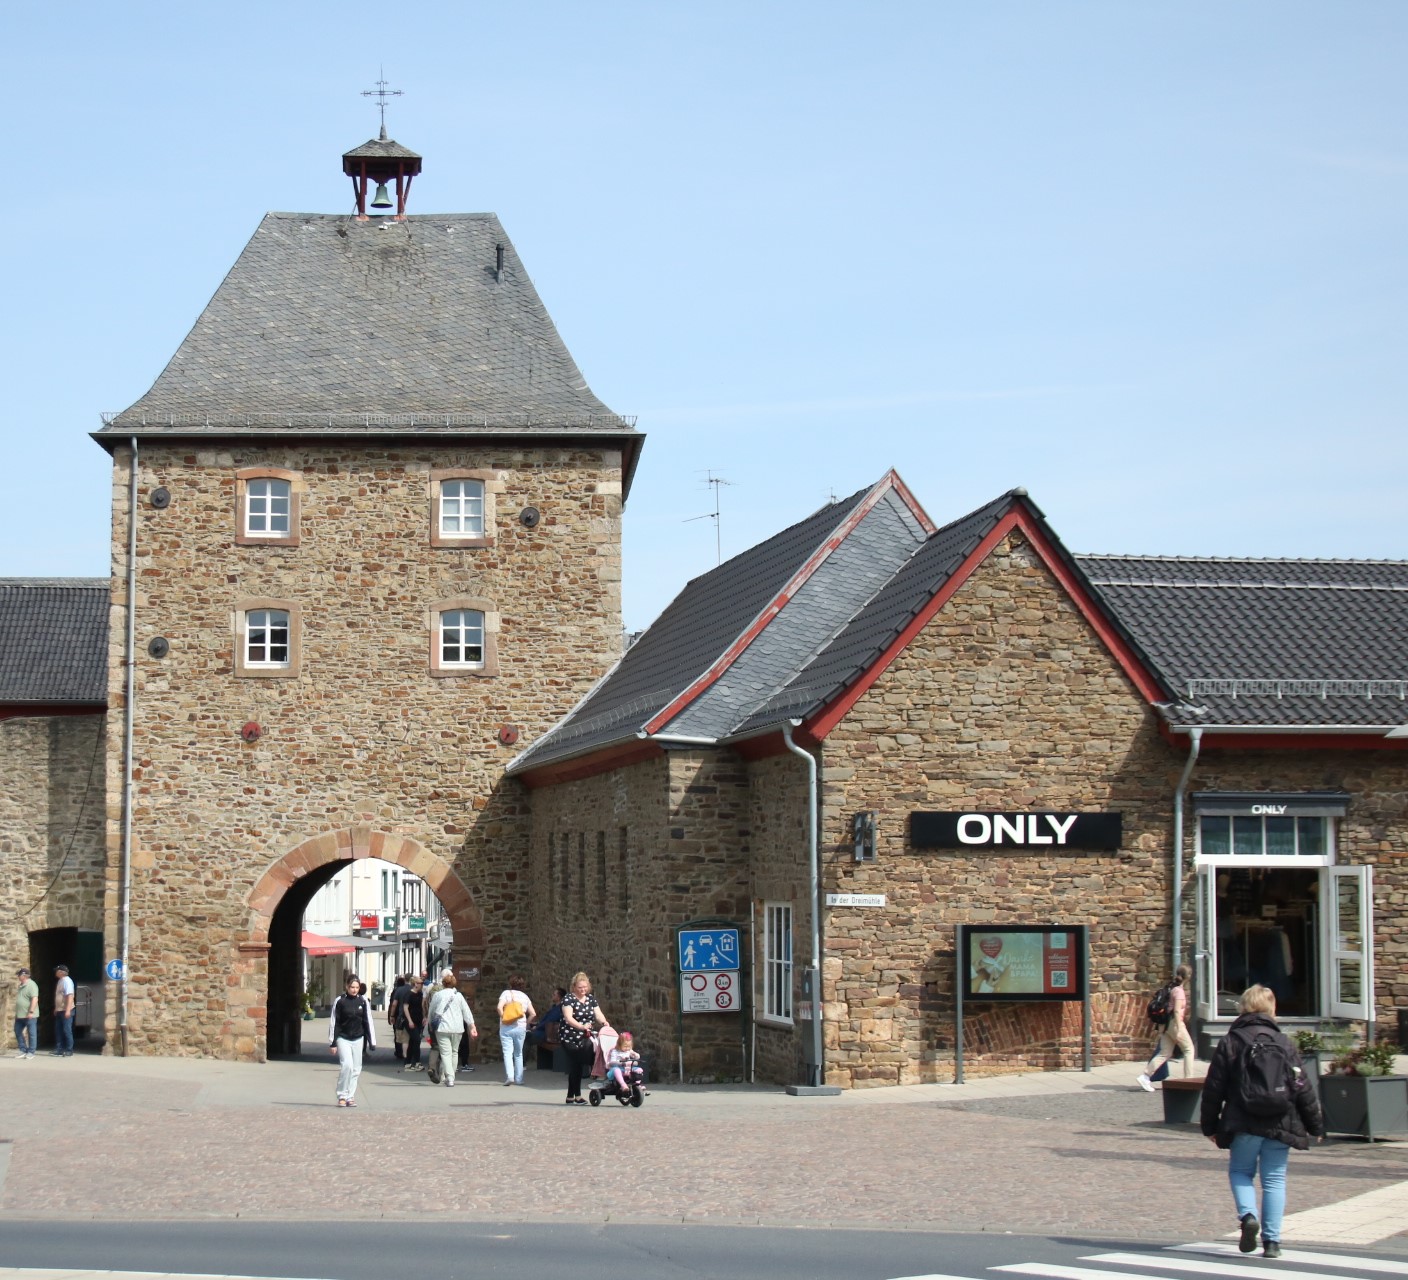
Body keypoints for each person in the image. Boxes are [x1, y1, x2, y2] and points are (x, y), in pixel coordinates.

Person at [1200, 984, 1324, 1259]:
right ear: (1271, 1009)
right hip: (1281, 1120)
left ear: (1243, 1007)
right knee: (1275, 1180)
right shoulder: (1283, 1043)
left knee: (1241, 1172)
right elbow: (1302, 1085)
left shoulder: (1231, 1041)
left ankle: (1247, 1216)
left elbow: (1214, 1087)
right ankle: (1272, 1242)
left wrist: (1210, 1126)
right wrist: (1315, 1125)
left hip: (1242, 1120)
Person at [1137, 964, 1195, 1090]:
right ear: (1188, 977)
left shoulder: (1170, 987)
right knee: (1189, 1050)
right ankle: (1189, 1080)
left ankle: (1145, 1076)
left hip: (1165, 1025)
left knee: (1164, 1053)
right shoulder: (1179, 991)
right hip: (1174, 1024)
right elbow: (1177, 1011)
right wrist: (1179, 1029)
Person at [327, 975, 377, 1107]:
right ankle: (342, 1095)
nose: (354, 990)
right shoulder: (340, 1001)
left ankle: (350, 1096)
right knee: (347, 1066)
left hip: (358, 1038)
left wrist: (372, 1041)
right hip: (343, 1037)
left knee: (356, 1069)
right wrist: (332, 1042)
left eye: (357, 987)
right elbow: (335, 1022)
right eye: (352, 987)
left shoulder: (363, 1001)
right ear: (347, 987)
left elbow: (367, 1021)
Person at [560, 971, 608, 1105]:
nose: (583, 990)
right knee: (577, 1063)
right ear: (574, 986)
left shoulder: (591, 999)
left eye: (585, 987)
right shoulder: (568, 999)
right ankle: (577, 1096)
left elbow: (598, 1014)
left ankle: (571, 1097)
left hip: (586, 1037)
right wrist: (582, 1026)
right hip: (569, 1037)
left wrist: (604, 1022)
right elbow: (568, 1018)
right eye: (580, 987)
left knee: (577, 1065)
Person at [425, 970, 477, 1088]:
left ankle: (449, 1077)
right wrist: (472, 1026)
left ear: (443, 983)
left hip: (442, 1028)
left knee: (445, 1053)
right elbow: (466, 1012)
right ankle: (451, 1077)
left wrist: (430, 1024)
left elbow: (431, 1011)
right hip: (458, 1028)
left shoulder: (438, 995)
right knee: (454, 1052)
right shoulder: (459, 996)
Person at [496, 975, 537, 1086]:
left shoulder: (506, 993)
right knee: (518, 1053)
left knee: (508, 1052)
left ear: (511, 984)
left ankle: (510, 1076)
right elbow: (533, 1013)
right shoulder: (525, 997)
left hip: (506, 1027)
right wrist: (526, 1024)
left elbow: (499, 1007)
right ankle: (519, 1079)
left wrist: (504, 1018)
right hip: (520, 1027)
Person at [401, 976, 426, 1073]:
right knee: (417, 1040)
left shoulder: (420, 994)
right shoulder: (408, 994)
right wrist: (410, 1021)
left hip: (418, 1020)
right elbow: (405, 1008)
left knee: (412, 1042)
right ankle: (417, 1062)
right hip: (410, 1021)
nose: (422, 985)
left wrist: (424, 1016)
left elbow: (422, 1006)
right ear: (415, 984)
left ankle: (408, 1063)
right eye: (420, 983)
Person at [13, 968, 38, 1059]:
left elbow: (34, 998)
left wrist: (31, 1011)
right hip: (20, 1015)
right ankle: (23, 1049)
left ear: (24, 975)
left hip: (29, 1014)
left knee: (31, 1033)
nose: (18, 977)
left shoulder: (32, 985)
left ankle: (31, 1052)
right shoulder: (21, 985)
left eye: (19, 975)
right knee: (17, 1030)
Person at [51, 965, 75, 1057]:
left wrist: (68, 1010)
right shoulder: (61, 981)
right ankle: (59, 1049)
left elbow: (69, 996)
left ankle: (69, 1050)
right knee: (58, 1030)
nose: (55, 972)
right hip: (60, 1010)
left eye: (57, 971)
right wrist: (56, 1008)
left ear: (61, 972)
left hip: (66, 1010)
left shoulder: (67, 981)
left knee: (67, 1030)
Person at [388, 974, 412, 1062]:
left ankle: (399, 1052)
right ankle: (410, 1053)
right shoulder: (413, 989)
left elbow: (394, 1004)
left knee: (398, 1034)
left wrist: (392, 1015)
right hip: (412, 1016)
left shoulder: (398, 990)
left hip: (400, 1016)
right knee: (410, 1035)